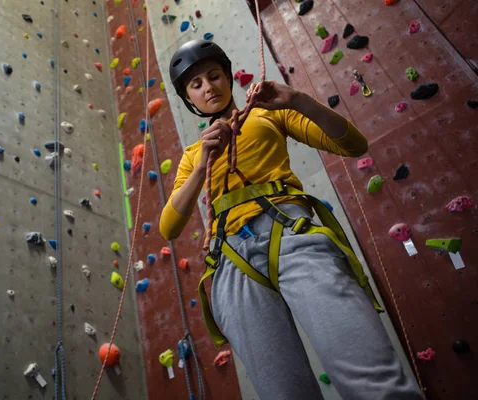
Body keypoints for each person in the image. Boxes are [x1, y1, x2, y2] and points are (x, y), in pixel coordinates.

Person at [159, 40, 423, 400]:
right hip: (229, 261)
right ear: (189, 98)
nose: (209, 88)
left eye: (214, 76)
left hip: (289, 232)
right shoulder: (193, 155)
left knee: (371, 375)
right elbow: (169, 227)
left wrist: (297, 100)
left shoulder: (268, 113)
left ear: (227, 77)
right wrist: (203, 164)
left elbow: (353, 146)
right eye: (196, 85)